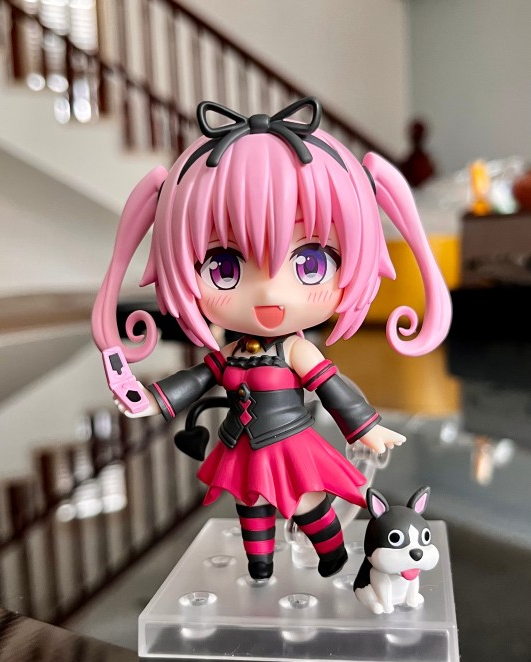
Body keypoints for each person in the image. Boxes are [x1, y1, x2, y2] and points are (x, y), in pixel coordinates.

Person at [92, 98, 451, 580]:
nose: (270, 292)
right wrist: (151, 400)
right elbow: (196, 378)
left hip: (288, 441)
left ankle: (332, 554)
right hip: (240, 443)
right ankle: (260, 566)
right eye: (223, 266)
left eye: (311, 263)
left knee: (307, 502)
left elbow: (331, 387)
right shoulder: (229, 353)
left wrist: (365, 426)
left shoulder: (296, 349)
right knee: (249, 503)